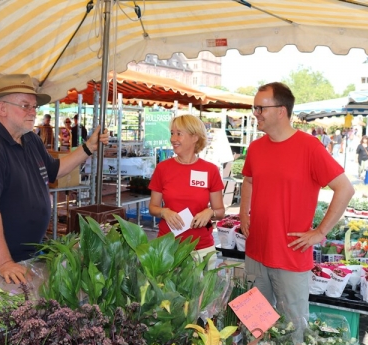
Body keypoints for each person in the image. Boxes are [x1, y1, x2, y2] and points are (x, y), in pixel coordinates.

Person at [0, 74, 109, 284]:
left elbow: (54, 170)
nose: (33, 112)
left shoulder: (30, 139)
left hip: (27, 255)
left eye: (34, 107)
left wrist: (87, 148)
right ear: (2, 109)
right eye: (25, 105)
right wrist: (4, 263)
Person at [239, 82, 354, 327]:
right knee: (255, 326)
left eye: (260, 108)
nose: (255, 113)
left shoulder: (309, 147)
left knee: (293, 331)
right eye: (254, 107)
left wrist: (320, 232)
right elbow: (247, 180)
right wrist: (243, 214)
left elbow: (345, 188)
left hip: (290, 256)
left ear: (281, 110)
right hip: (255, 252)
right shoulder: (256, 148)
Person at [148, 114, 225, 270]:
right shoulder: (163, 168)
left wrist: (209, 212)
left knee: (201, 294)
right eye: (172, 133)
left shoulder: (210, 170)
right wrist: (164, 212)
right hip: (168, 246)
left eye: (179, 134)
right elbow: (153, 207)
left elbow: (221, 211)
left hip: (201, 247)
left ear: (195, 137)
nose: (173, 139)